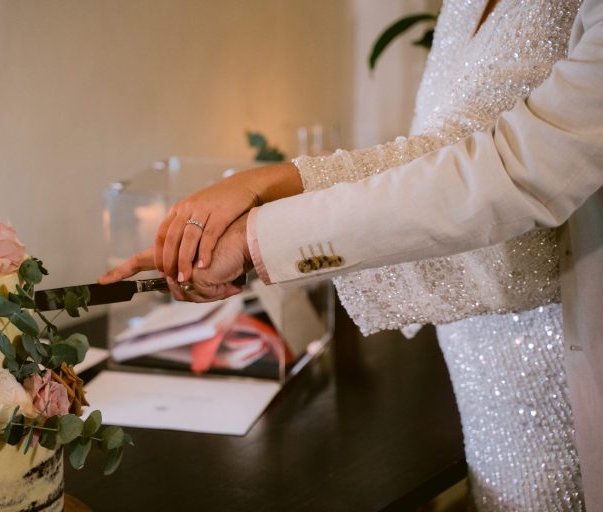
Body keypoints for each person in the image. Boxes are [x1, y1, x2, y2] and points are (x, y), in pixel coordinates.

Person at [100, 0, 603, 509]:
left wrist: (265, 211)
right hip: (480, 377)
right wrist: (268, 203)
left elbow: (510, 168)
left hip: (563, 357)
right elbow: (440, 150)